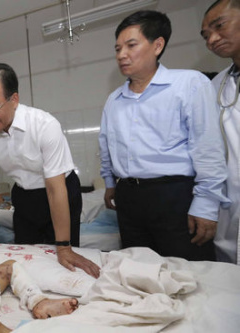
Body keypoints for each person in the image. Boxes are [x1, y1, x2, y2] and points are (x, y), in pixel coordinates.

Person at [99, 10, 230, 261]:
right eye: (117, 49)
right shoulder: (114, 100)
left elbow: (207, 148)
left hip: (174, 195)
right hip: (128, 198)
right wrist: (109, 183)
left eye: (131, 45)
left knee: (188, 272)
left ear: (157, 45)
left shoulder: (189, 84)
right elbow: (106, 144)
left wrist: (206, 205)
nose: (121, 55)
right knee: (138, 271)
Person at [0, 63, 100, 278]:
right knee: (26, 259)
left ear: (13, 99)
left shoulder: (44, 125)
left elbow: (55, 188)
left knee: (65, 261)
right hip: (24, 196)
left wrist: (63, 246)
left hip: (59, 190)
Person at [201, 0, 240, 264]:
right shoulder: (217, 84)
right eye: (206, 35)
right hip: (231, 202)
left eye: (219, 26)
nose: (213, 39)